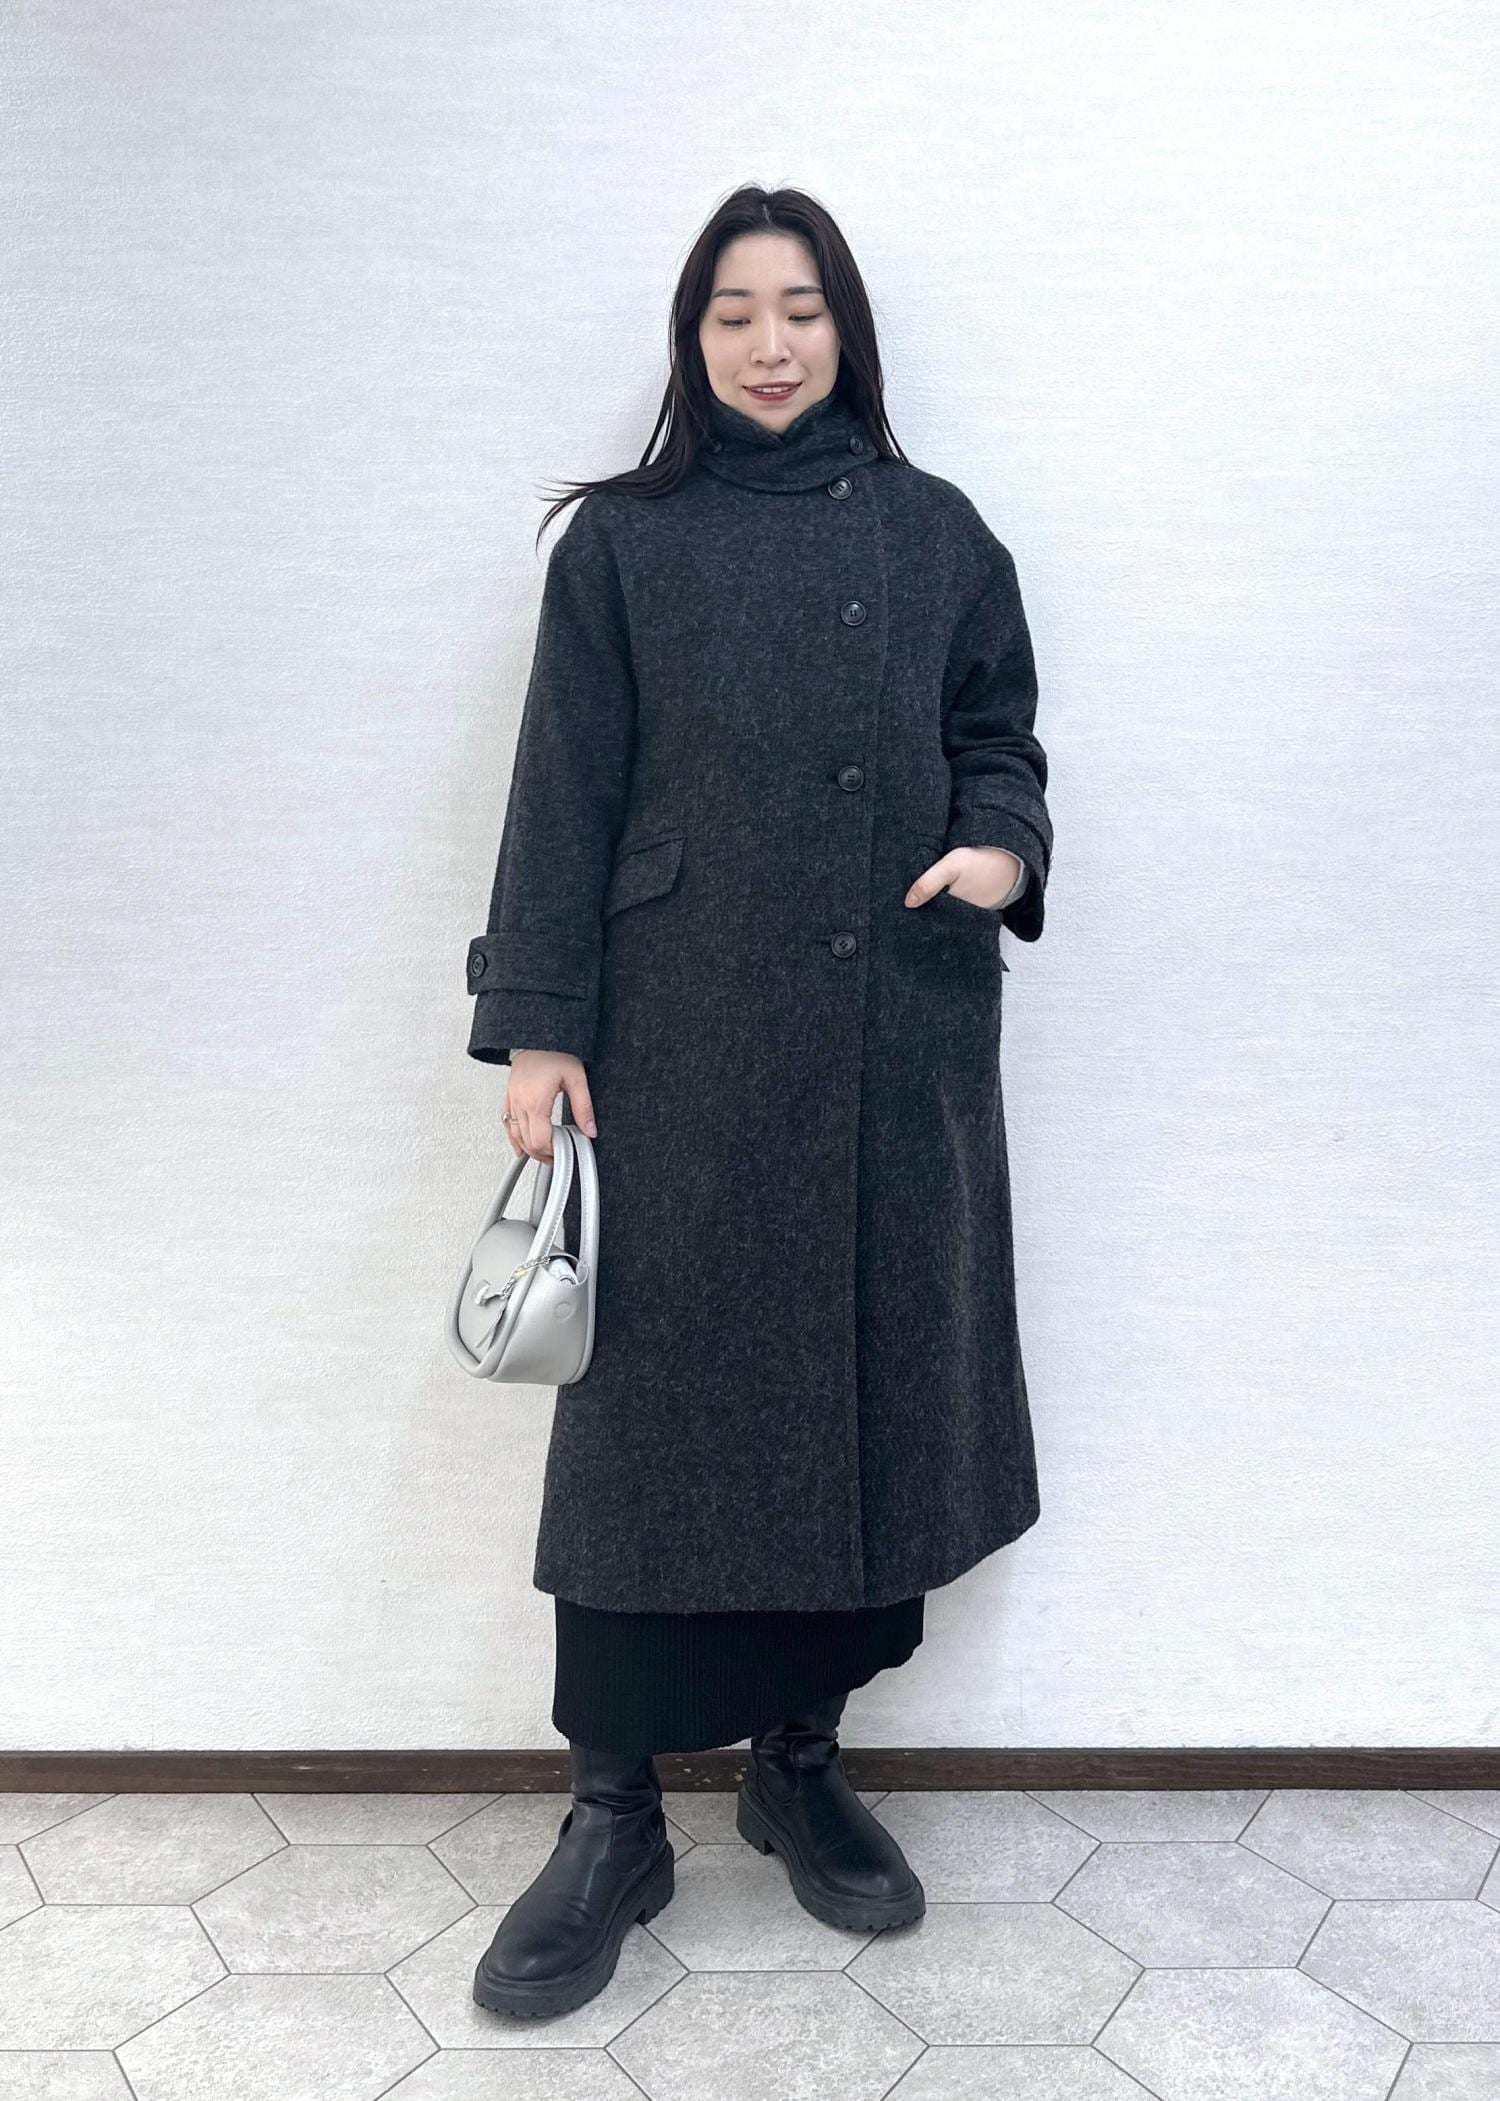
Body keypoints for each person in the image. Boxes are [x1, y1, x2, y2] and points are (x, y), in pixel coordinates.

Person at [461, 183, 1052, 2019]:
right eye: (734, 312)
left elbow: (1001, 734)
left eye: (800, 309)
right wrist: (538, 1024)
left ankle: (798, 1763)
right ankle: (612, 1811)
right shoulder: (622, 545)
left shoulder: (937, 532)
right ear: (693, 336)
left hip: (889, 1032)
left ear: (846, 330)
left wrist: (997, 847)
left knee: (854, 1400)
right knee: (644, 1420)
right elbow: (562, 784)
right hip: (678, 1034)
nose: (770, 343)